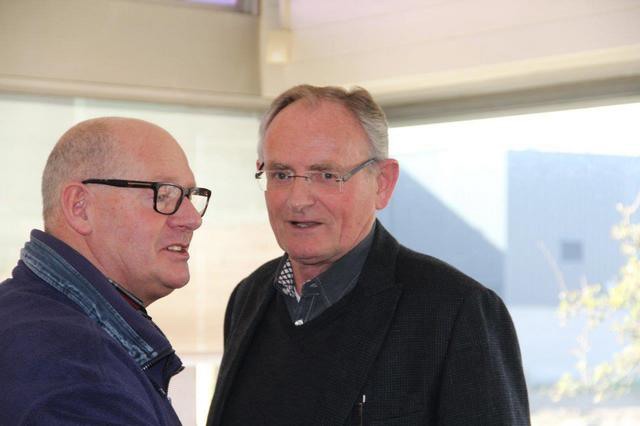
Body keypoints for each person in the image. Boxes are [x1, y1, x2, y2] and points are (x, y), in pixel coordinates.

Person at [207, 85, 530, 425]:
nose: (298, 199)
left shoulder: (455, 313)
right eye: (281, 174)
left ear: (382, 183)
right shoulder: (248, 297)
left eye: (327, 175)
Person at [0, 117, 211, 424]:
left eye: (190, 196)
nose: (192, 219)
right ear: (80, 208)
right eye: (164, 194)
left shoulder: (25, 317)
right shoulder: (73, 368)